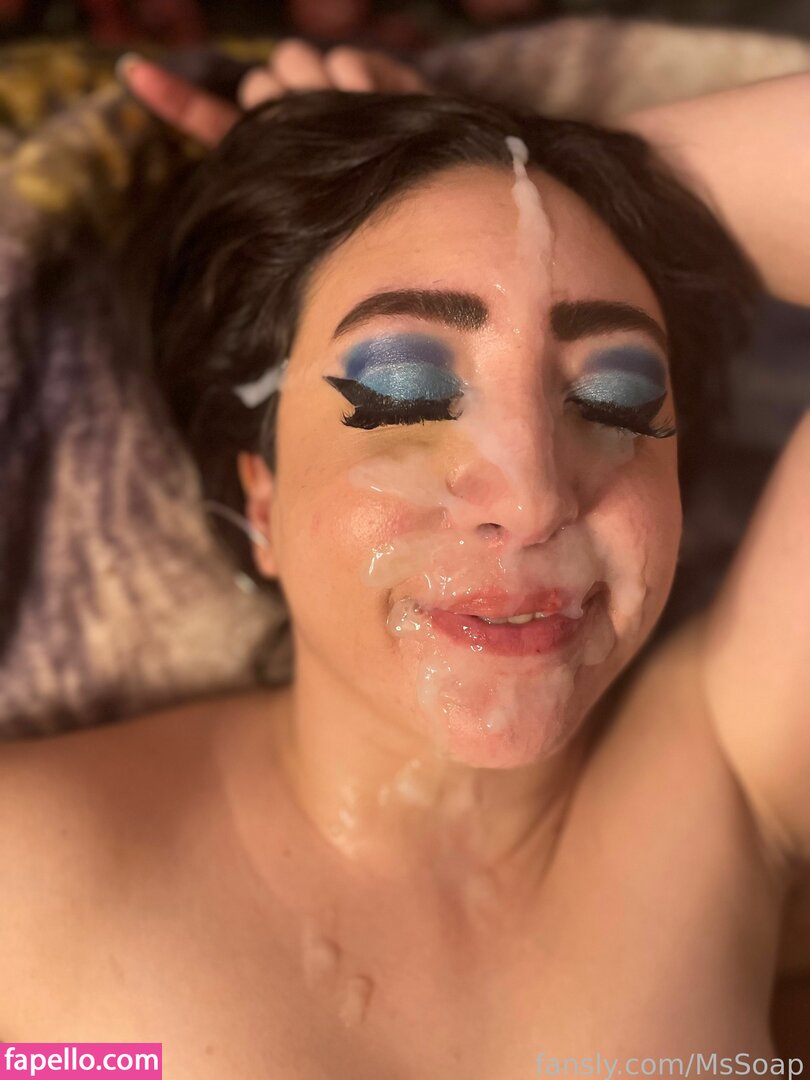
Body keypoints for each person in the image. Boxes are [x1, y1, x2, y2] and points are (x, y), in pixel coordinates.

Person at [0, 39, 808, 1077]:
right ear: (261, 501)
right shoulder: (29, 880)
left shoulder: (724, 787)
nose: (532, 500)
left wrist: (539, 170)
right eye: (406, 396)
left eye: (613, 400)